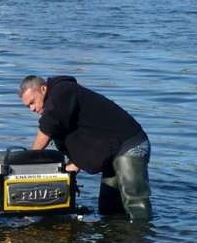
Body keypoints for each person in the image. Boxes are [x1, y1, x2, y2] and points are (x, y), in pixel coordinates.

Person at [18, 75, 151, 220]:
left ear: (43, 89)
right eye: (27, 106)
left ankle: (143, 238)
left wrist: (28, 161)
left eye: (32, 102)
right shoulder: (61, 108)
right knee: (108, 208)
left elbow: (48, 127)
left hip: (129, 145)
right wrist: (75, 163)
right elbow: (84, 137)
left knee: (135, 203)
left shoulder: (62, 91)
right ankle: (115, 240)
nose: (32, 109)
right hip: (111, 151)